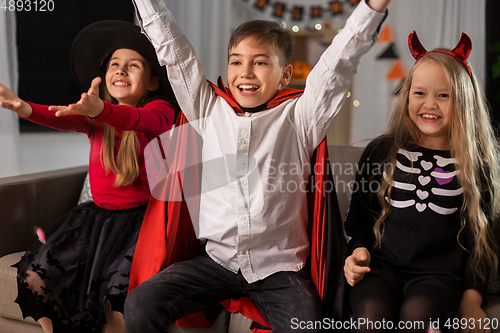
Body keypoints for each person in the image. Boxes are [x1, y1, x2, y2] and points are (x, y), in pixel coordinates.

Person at [124, 0, 391, 332]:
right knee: (140, 301)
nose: (245, 73)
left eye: (260, 62)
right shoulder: (207, 109)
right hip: (216, 263)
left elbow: (339, 63)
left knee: (308, 325)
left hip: (279, 271)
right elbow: (174, 51)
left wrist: (372, 8)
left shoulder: (300, 118)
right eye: (236, 61)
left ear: (285, 75)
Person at [0, 20, 178, 333]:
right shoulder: (98, 118)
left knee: (116, 297)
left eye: (133, 65)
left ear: (152, 82)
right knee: (36, 278)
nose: (121, 71)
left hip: (142, 224)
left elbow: (136, 118)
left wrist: (99, 111)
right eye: (114, 65)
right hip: (94, 220)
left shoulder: (160, 112)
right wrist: (24, 108)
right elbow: (59, 116)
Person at [343, 30, 500, 332]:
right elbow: (359, 216)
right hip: (381, 267)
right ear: (406, 96)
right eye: (420, 93)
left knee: (419, 316)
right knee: (371, 315)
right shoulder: (381, 151)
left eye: (443, 95)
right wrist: (357, 252)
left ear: (464, 101)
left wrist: (472, 298)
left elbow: (480, 240)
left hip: (439, 277)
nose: (430, 104)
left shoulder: (475, 164)